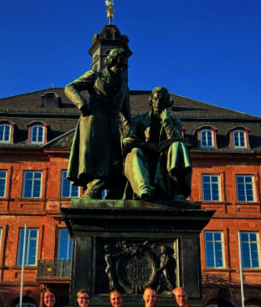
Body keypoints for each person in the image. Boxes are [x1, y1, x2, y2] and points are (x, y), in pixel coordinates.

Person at [64, 47, 131, 199]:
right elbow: (70, 87)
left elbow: (127, 115)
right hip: (93, 121)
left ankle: (94, 192)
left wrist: (130, 133)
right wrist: (82, 104)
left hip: (112, 126)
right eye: (117, 64)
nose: (120, 67)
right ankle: (94, 193)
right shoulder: (95, 76)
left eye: (123, 65)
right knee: (93, 161)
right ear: (110, 62)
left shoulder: (124, 87)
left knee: (116, 161)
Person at [121, 86, 192, 201]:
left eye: (162, 99)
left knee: (178, 145)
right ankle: (144, 189)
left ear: (167, 102)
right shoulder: (140, 119)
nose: (158, 102)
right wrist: (126, 140)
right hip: (145, 154)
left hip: (165, 156)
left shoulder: (175, 121)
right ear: (151, 100)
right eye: (155, 99)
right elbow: (129, 136)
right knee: (134, 151)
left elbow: (176, 139)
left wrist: (167, 121)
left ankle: (176, 192)